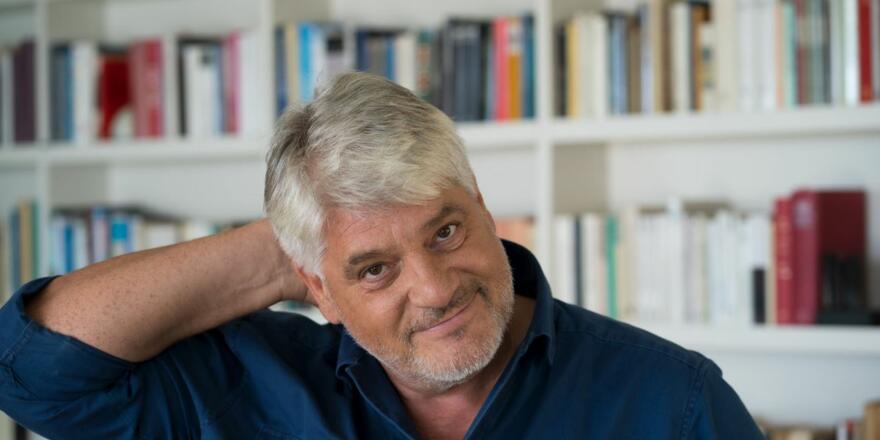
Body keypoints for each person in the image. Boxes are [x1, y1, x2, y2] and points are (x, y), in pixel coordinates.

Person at [0, 72, 762, 439]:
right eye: (374, 268)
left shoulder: (676, 402)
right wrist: (291, 248)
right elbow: (34, 373)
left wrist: (358, 249)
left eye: (445, 231)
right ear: (316, 287)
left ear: (482, 205)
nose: (434, 288)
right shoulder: (247, 388)